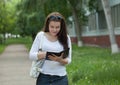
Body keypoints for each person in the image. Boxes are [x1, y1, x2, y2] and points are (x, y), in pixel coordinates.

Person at [29, 12, 72, 85]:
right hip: (43, 78)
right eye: (52, 27)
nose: (54, 30)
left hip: (61, 78)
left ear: (61, 26)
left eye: (57, 27)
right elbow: (31, 55)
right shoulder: (41, 36)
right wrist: (44, 54)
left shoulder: (66, 38)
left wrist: (59, 60)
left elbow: (69, 60)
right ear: (47, 25)